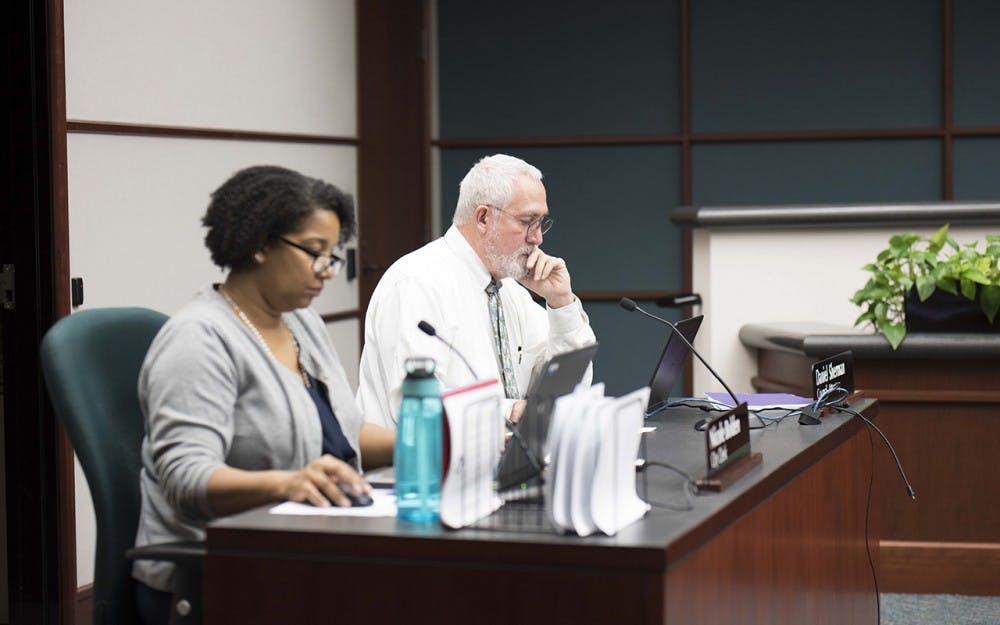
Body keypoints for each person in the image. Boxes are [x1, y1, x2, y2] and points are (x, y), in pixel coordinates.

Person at [132, 165, 395, 625]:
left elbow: (345, 437)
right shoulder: (198, 339)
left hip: (309, 546)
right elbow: (186, 480)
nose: (327, 271)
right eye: (315, 252)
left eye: (332, 255)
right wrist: (286, 483)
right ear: (258, 243)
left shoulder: (301, 321)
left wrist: (438, 438)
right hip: (222, 573)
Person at [357, 153, 596, 428]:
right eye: (527, 221)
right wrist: (509, 412)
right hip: (417, 467)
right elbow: (417, 409)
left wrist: (560, 303)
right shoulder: (417, 282)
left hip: (500, 461)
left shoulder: (509, 288)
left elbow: (568, 390)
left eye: (541, 222)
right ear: (483, 218)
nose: (537, 238)